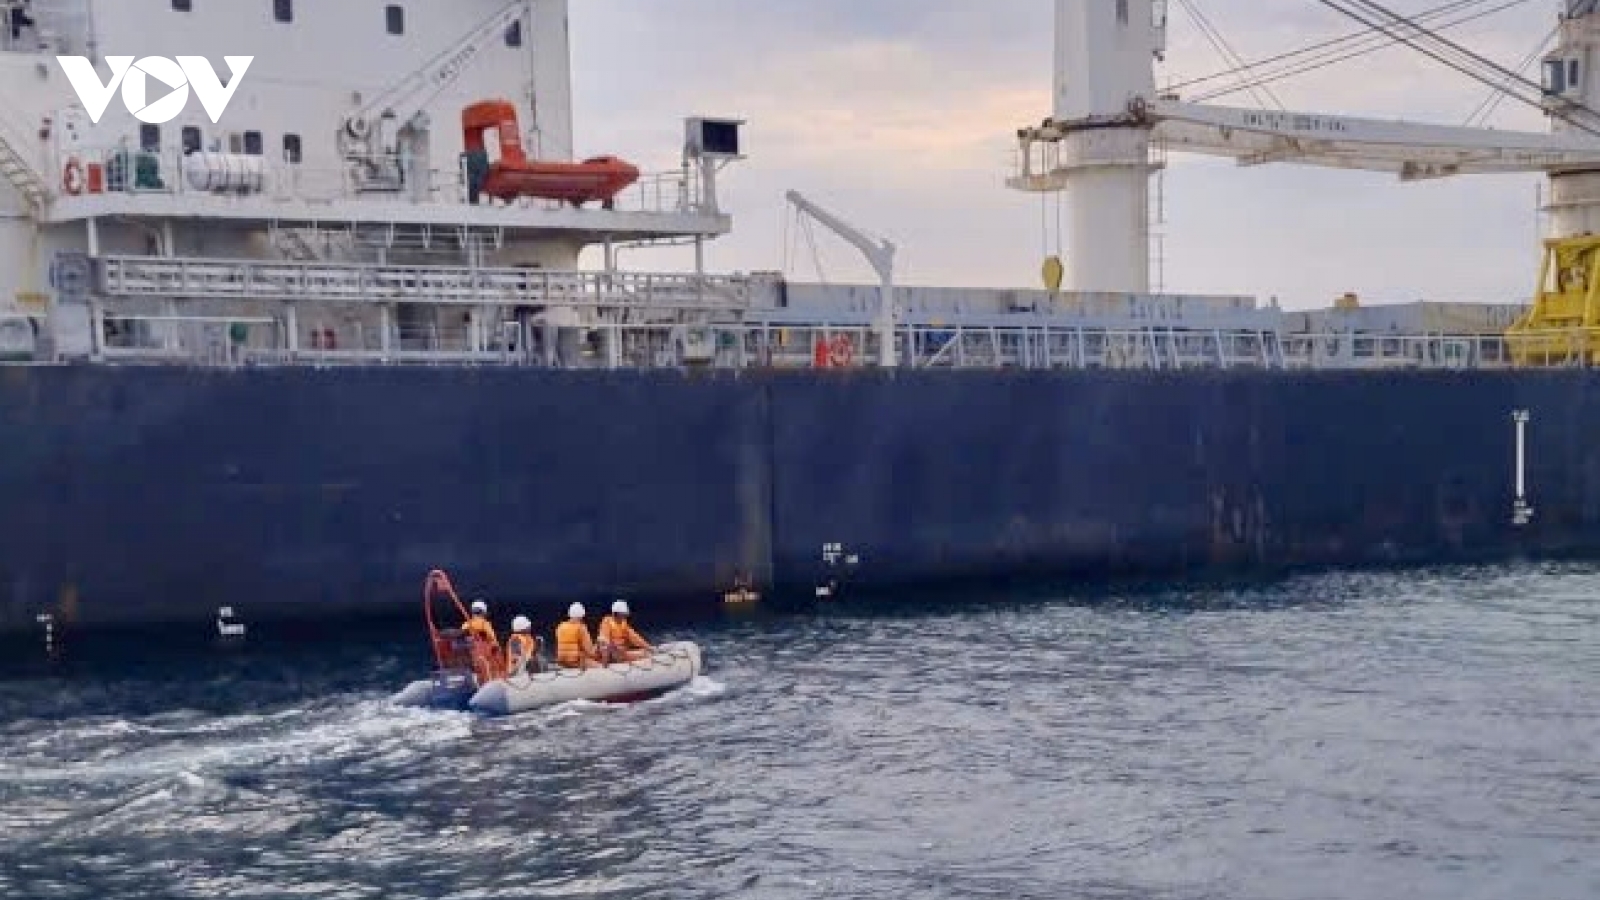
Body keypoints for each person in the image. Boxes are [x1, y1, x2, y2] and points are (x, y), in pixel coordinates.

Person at [554, 602, 599, 670]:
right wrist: (597, 647)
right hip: (576, 661)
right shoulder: (581, 628)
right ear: (582, 616)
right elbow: (589, 650)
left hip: (561, 660)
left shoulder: (560, 626)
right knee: (599, 667)